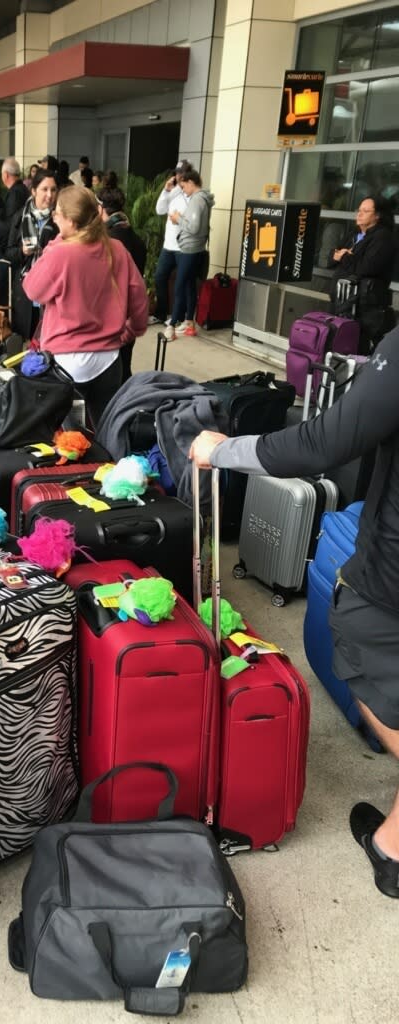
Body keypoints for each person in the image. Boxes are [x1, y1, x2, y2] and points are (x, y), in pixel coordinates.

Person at [189, 323, 399, 900]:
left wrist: (222, 449)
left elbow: (320, 445)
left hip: (392, 578)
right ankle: (392, 851)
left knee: (354, 638)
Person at [22, 185, 149, 429]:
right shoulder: (117, 249)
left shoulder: (61, 253)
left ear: (71, 221)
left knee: (71, 445)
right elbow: (139, 298)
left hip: (67, 363)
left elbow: (32, 289)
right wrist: (131, 330)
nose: (54, 216)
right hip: (109, 360)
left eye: (58, 212)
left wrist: (56, 241)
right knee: (107, 433)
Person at [327, 195, 397, 354]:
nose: (359, 214)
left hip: (364, 307)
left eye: (365, 211)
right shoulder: (354, 233)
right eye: (359, 210)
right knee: (335, 345)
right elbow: (331, 258)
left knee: (357, 349)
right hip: (342, 302)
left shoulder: (383, 237)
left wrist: (344, 256)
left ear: (377, 215)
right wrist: (340, 255)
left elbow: (366, 268)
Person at [97, 186, 148, 380]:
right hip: (129, 316)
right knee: (125, 366)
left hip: (109, 319)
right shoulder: (136, 240)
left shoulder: (107, 242)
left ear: (101, 209)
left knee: (110, 374)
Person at [5, 167, 60, 338]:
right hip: (25, 291)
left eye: (53, 189)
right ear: (34, 191)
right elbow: (8, 253)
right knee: (25, 345)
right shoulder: (20, 217)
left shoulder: (60, 219)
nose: (49, 195)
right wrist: (22, 251)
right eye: (45, 189)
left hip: (52, 292)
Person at [164, 168, 214, 340]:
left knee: (180, 284)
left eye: (184, 186)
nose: (183, 190)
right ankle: (188, 322)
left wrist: (178, 219)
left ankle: (174, 323)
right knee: (189, 285)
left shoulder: (197, 200)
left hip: (190, 249)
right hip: (197, 248)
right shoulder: (203, 199)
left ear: (191, 183)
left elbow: (193, 227)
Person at [150, 160, 192, 327]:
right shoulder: (173, 191)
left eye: (182, 173)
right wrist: (166, 191)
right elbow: (160, 209)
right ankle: (161, 313)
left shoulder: (192, 193)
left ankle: (179, 317)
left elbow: (193, 220)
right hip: (168, 245)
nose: (178, 176)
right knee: (160, 277)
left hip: (183, 246)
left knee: (182, 282)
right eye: (177, 172)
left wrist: (178, 219)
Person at [0, 157, 29, 251]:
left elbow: (10, 223)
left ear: (6, 175)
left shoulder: (15, 193)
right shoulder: (23, 188)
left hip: (14, 246)